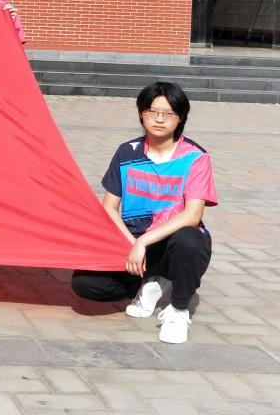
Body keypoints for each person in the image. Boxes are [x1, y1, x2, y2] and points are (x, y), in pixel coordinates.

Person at [71, 82, 217, 344]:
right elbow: (109, 207)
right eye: (152, 111)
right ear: (141, 114)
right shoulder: (127, 152)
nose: (159, 119)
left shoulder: (195, 157)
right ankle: (149, 283)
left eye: (168, 113)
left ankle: (178, 310)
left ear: (181, 117)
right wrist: (131, 244)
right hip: (134, 241)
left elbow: (192, 215)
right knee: (85, 284)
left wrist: (143, 242)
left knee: (190, 241)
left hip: (171, 242)